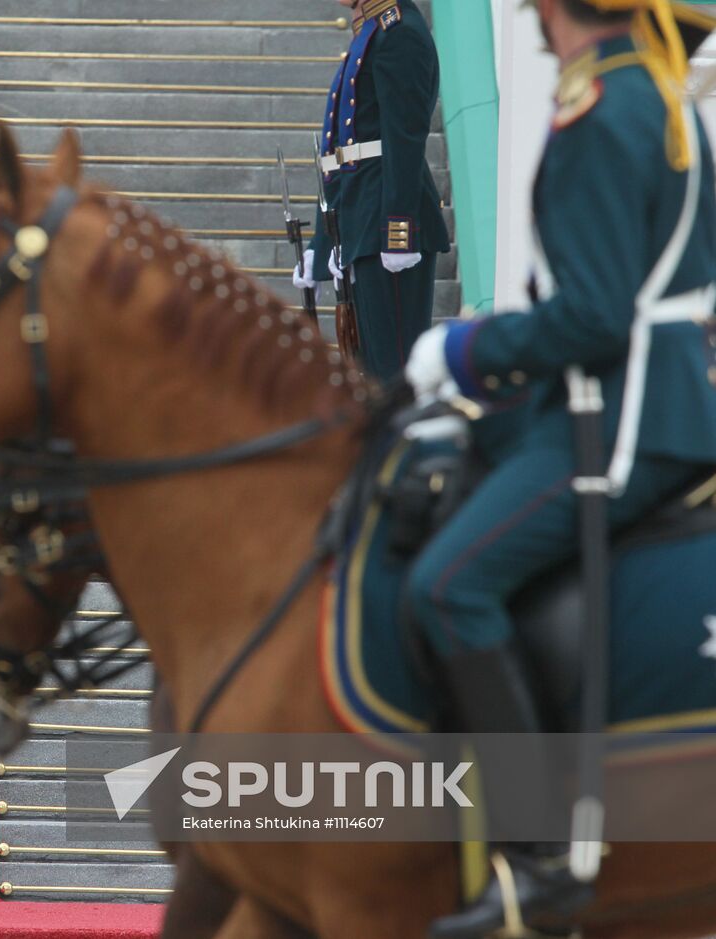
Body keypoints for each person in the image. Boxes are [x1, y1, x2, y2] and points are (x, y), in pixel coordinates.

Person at [404, 1, 716, 936]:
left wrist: (463, 352)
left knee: (450, 584)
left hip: (620, 415)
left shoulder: (605, 107)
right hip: (633, 394)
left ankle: (539, 858)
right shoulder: (651, 96)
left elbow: (592, 315)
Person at [296, 0, 451, 380]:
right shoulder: (371, 32)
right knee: (367, 372)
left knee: (392, 373)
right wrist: (321, 244)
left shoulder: (400, 33)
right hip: (360, 219)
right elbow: (338, 153)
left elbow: (405, 139)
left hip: (386, 219)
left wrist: (398, 232)